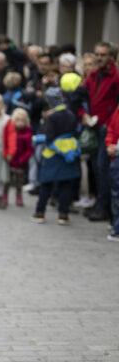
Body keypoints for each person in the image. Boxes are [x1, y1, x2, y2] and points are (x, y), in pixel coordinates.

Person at [81, 42, 119, 223]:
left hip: (106, 128)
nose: (99, 58)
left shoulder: (115, 76)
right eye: (97, 54)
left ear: (111, 56)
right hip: (93, 126)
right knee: (96, 167)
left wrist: (109, 123)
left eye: (102, 54)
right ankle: (99, 203)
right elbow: (81, 97)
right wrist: (83, 114)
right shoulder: (93, 75)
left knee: (103, 168)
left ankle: (105, 208)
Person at [31, 88, 81, 225]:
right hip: (69, 152)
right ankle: (63, 215)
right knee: (66, 185)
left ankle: (40, 212)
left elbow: (49, 138)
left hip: (53, 154)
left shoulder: (52, 117)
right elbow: (75, 133)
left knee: (46, 184)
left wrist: (40, 138)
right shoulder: (71, 115)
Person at [9, 108, 34, 207]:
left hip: (20, 162)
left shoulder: (28, 133)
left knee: (19, 181)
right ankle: (4, 195)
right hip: (10, 160)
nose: (20, 123)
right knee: (6, 180)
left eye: (22, 120)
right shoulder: (10, 131)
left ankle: (19, 196)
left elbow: (30, 150)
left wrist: (22, 159)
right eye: (17, 120)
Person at [106, 103, 119, 241]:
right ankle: (116, 226)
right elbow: (111, 128)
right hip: (116, 157)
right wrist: (110, 144)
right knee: (115, 194)